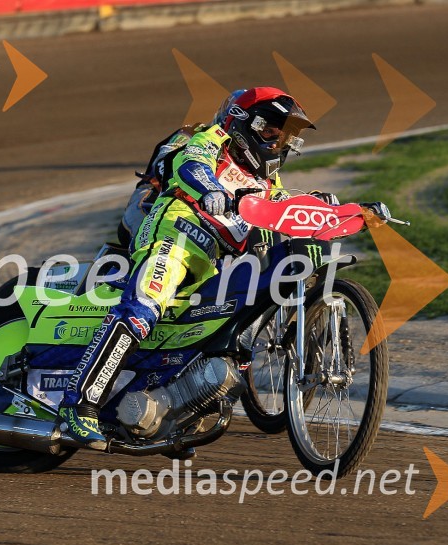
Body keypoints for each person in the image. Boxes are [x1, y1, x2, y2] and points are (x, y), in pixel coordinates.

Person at [58, 86, 334, 449]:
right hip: (175, 236)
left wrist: (326, 207)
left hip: (211, 261)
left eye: (285, 137)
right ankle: (79, 405)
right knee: (143, 309)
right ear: (244, 123)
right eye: (271, 131)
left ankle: (169, 414)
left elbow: (281, 203)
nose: (278, 142)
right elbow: (191, 164)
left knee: (198, 333)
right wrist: (209, 189)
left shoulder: (266, 180)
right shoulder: (212, 140)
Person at [117, 89, 246, 247]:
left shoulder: (247, 158)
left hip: (206, 211)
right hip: (153, 199)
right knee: (155, 238)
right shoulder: (191, 134)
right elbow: (164, 163)